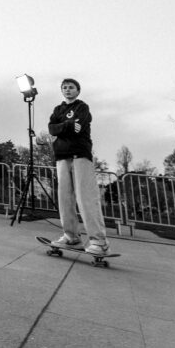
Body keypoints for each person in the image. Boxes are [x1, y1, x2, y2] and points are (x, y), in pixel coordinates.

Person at [48, 78, 110, 256]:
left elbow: (79, 127)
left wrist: (62, 128)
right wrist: (66, 125)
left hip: (80, 155)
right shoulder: (58, 109)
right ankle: (71, 236)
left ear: (77, 90)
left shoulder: (82, 107)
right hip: (62, 156)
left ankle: (99, 241)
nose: (67, 90)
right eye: (64, 87)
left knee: (85, 197)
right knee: (65, 198)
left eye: (71, 87)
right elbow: (52, 129)